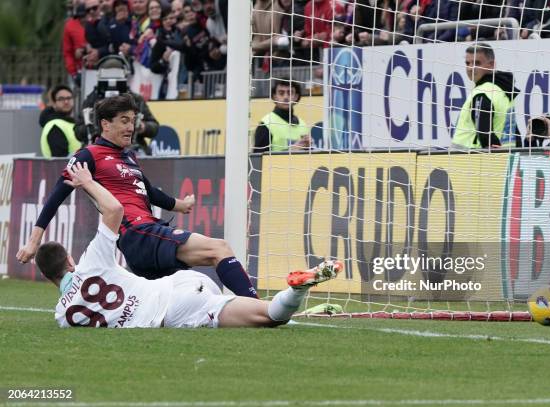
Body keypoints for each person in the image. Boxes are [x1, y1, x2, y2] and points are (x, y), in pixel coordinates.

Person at [36, 161, 342, 328]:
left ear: (49, 277)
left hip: (174, 311)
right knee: (261, 310)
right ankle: (292, 291)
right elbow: (115, 210)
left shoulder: (63, 316)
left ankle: (296, 290)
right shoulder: (92, 263)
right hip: (179, 283)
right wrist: (88, 182)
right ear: (71, 261)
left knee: (270, 319)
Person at [17, 94, 258, 300]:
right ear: (105, 124)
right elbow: (57, 196)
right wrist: (33, 241)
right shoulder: (88, 155)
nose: (131, 127)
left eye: (132, 121)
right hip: (138, 233)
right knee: (219, 248)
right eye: (124, 121)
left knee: (181, 298)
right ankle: (257, 307)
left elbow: (150, 192)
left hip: (142, 239)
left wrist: (180, 205)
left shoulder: (128, 157)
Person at [75, 55, 159, 154]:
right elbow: (78, 131)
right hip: (97, 151)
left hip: (132, 151)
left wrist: (141, 126)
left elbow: (154, 127)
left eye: (116, 74)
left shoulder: (135, 99)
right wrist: (92, 126)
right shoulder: (91, 100)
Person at [452, 43, 520, 150]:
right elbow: (514, 132)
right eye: (467, 63)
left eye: (477, 63)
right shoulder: (504, 90)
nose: (470, 68)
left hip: (470, 160)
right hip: (507, 160)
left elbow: (485, 135)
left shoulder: (483, 92)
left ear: (491, 64)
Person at [253, 78, 311, 153]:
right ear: (274, 97)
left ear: (296, 97)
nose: (286, 97)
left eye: (290, 93)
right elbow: (258, 159)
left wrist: (309, 147)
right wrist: (290, 150)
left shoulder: (303, 124)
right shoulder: (266, 124)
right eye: (281, 93)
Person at [39, 85, 82, 158]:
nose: (66, 102)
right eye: (61, 99)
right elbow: (61, 160)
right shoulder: (55, 126)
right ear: (54, 103)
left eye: (69, 98)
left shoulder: (69, 122)